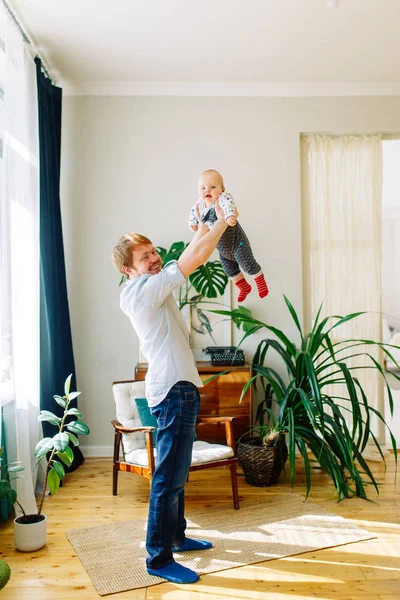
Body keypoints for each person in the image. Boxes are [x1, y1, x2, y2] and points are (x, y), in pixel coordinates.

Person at [111, 201, 230, 585]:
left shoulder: (147, 288)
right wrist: (225, 222)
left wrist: (203, 223)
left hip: (180, 387)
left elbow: (191, 249)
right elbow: (195, 256)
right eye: (144, 257)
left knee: (176, 473)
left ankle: (175, 537)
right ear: (129, 269)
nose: (154, 258)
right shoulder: (142, 291)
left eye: (153, 252)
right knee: (167, 476)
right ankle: (158, 559)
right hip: (174, 389)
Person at [189, 169, 269, 302]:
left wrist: (230, 215)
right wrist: (192, 223)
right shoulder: (200, 205)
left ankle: (261, 284)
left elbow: (229, 206)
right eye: (203, 188)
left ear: (222, 189)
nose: (207, 191)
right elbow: (193, 213)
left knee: (246, 263)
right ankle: (244, 287)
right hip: (222, 248)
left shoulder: (223, 199)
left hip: (237, 242)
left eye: (212, 187)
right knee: (229, 269)